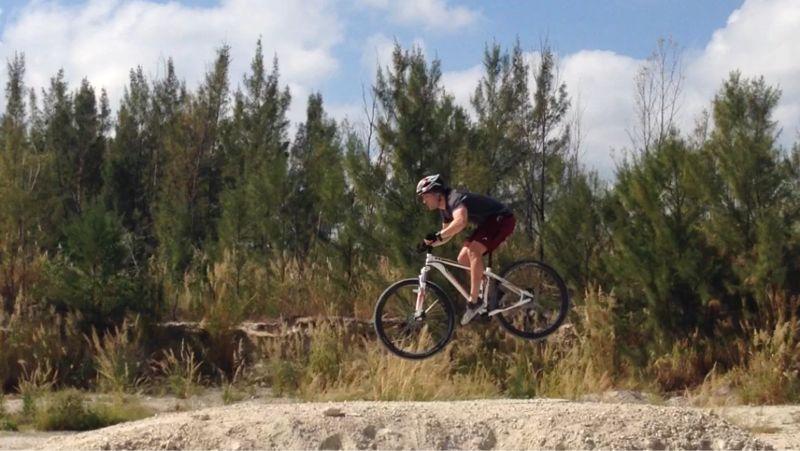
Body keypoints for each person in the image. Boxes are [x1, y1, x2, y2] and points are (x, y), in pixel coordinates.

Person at [416, 174, 516, 325]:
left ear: (437, 193)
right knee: (462, 258)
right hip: (488, 223)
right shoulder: (444, 208)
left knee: (473, 250)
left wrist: (438, 235)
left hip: (502, 219)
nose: (424, 201)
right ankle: (492, 293)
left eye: (425, 196)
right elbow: (447, 234)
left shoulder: (453, 199)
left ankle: (474, 301)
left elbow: (461, 222)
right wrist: (430, 244)